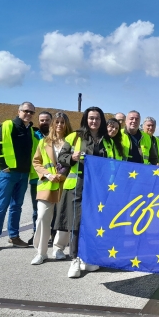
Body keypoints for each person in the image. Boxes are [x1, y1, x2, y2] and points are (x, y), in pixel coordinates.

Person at [55, 106, 115, 278]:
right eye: (91, 118)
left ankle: (87, 258)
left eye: (97, 118)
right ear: (85, 119)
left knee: (92, 223)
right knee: (76, 223)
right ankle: (74, 259)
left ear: (101, 120)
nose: (94, 121)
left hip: (98, 187)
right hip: (77, 185)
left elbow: (113, 163)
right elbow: (61, 157)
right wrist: (71, 158)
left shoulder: (107, 140)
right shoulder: (75, 136)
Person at [0, 102, 37, 253]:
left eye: (31, 112)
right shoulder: (7, 126)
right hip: (8, 174)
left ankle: (14, 236)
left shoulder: (30, 130)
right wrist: (4, 167)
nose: (28, 114)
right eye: (26, 111)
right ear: (19, 111)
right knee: (1, 206)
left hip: (24, 174)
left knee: (16, 207)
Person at [31, 112, 73, 265]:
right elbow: (36, 162)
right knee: (42, 217)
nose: (60, 125)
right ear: (52, 124)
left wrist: (63, 176)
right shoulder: (43, 142)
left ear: (67, 124)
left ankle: (59, 248)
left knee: (64, 218)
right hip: (47, 185)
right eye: (57, 122)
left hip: (66, 184)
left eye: (63, 122)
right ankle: (41, 252)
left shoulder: (72, 142)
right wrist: (48, 175)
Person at [28, 111, 53, 245]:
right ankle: (35, 233)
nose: (44, 122)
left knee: (55, 208)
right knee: (37, 209)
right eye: (42, 120)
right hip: (36, 178)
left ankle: (53, 234)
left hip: (55, 179)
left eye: (47, 120)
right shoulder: (33, 135)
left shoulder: (57, 137)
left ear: (51, 121)